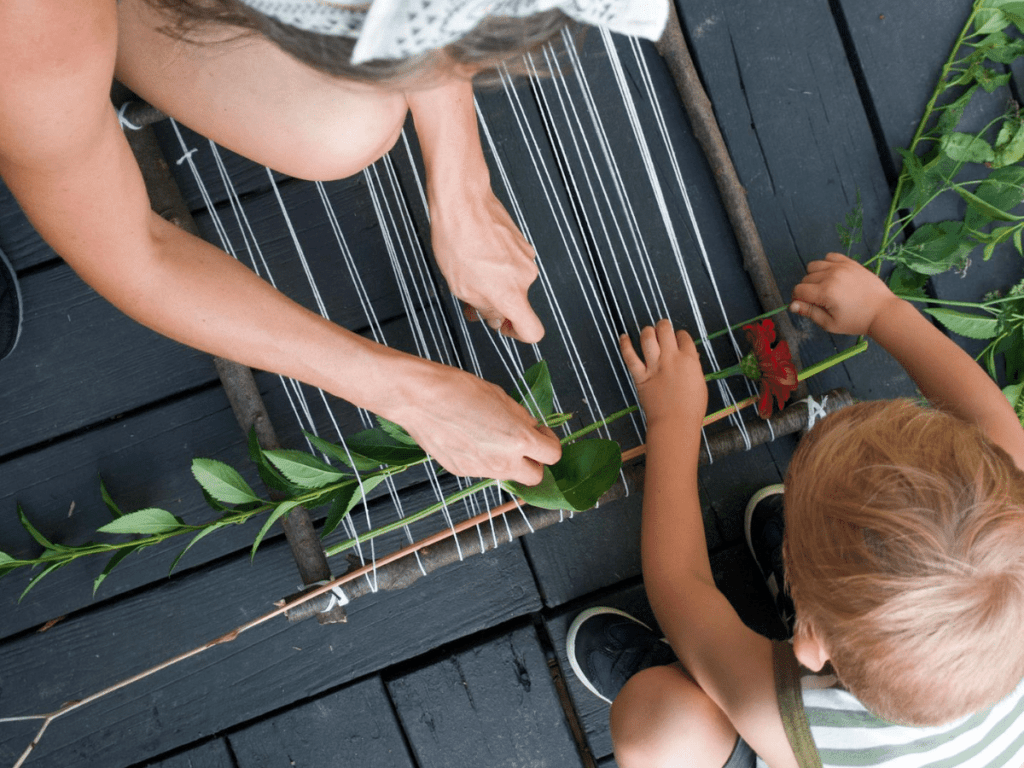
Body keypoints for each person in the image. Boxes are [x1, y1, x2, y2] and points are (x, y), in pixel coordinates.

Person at [0, 0, 667, 483]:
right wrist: (412, 396)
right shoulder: (33, 30)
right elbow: (130, 253)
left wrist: (462, 185)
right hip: (37, 38)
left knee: (343, 125)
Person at [567, 253, 1024, 767]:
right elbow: (989, 417)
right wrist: (882, 312)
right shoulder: (1010, 525)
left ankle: (705, 677)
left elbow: (680, 587)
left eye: (798, 544)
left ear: (812, 641)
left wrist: (672, 421)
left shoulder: (799, 724)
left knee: (658, 726)